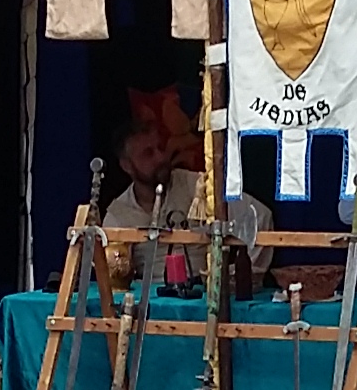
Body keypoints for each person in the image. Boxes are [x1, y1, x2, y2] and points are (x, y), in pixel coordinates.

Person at [100, 117, 272, 289]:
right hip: (151, 297)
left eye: (161, 148)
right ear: (127, 166)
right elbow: (114, 274)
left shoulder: (197, 186)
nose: (160, 158)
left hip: (202, 294)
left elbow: (259, 215)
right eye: (148, 154)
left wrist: (239, 276)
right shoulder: (119, 215)